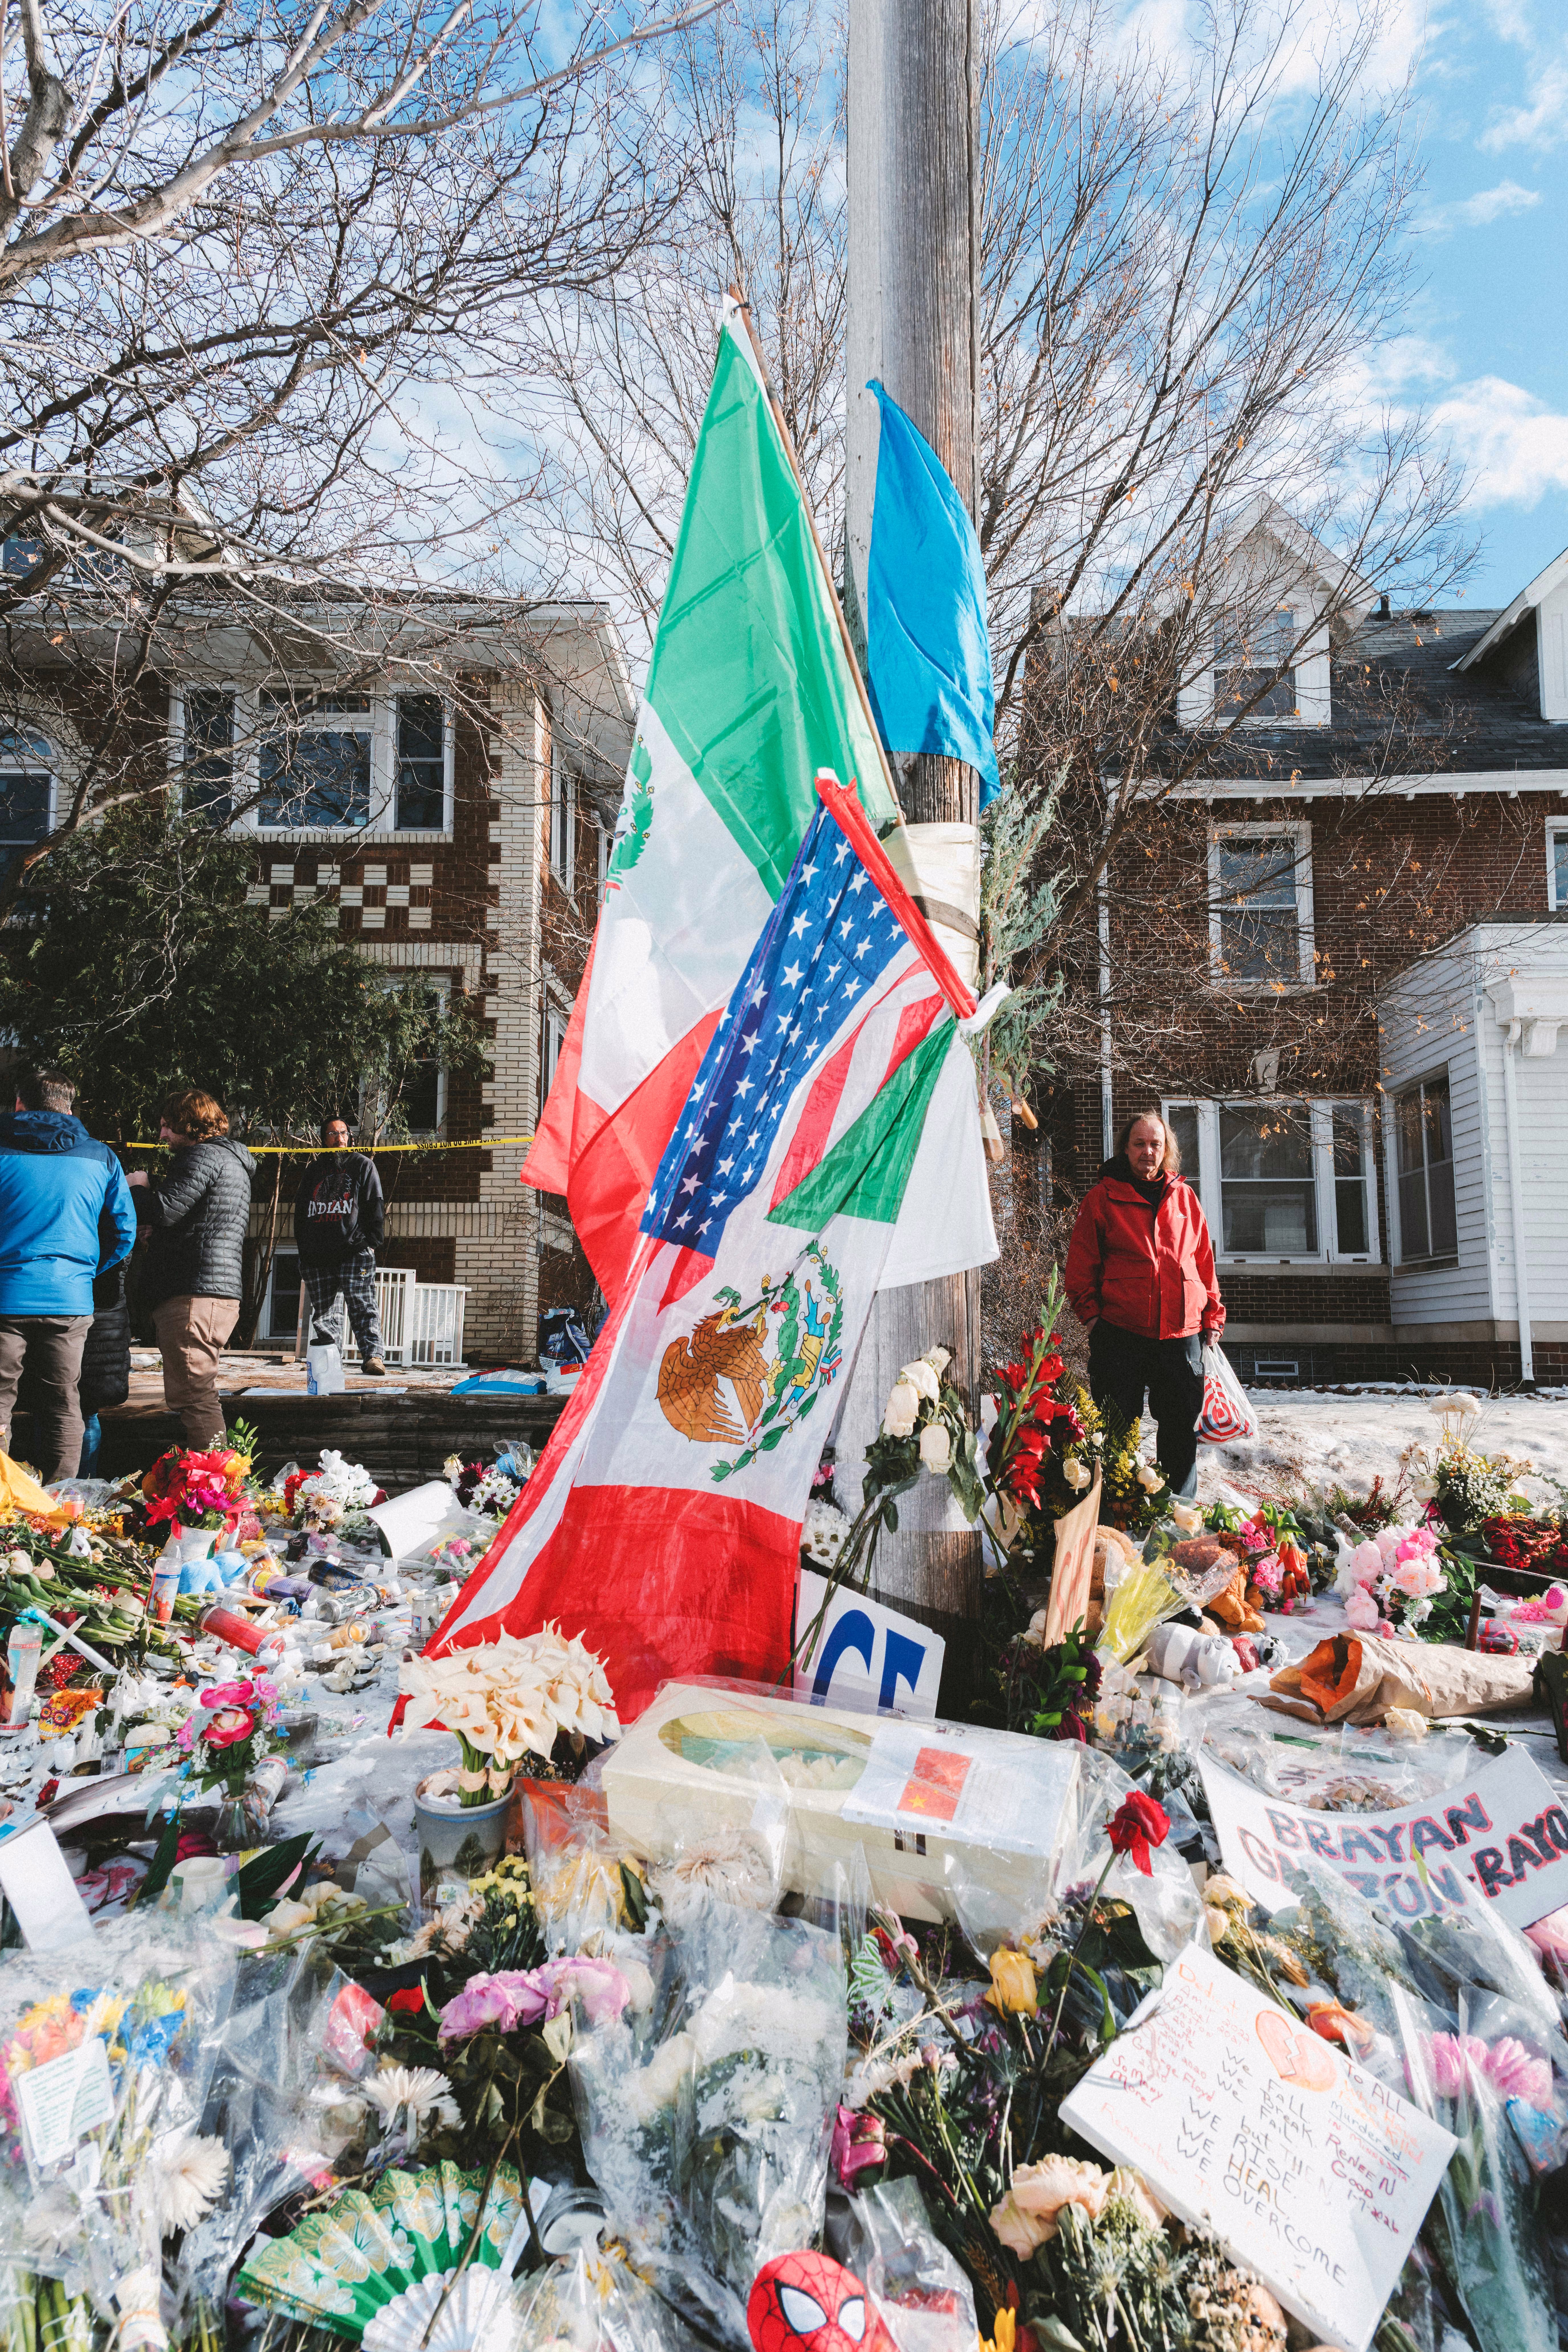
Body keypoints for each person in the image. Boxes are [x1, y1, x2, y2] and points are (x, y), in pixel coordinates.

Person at [1064, 1108, 1224, 1500]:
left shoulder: (1185, 1198)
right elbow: (1081, 1268)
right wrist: (1093, 1320)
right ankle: (1117, 1517)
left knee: (1180, 1433)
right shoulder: (1102, 1199)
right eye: (1140, 1144)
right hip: (1120, 1336)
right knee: (1115, 1433)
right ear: (1126, 1148)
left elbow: (1203, 1262)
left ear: (1166, 1149)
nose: (1148, 1152)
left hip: (1181, 1335)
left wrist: (1213, 1318)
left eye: (1156, 1144)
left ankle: (1178, 1518)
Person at [0, 1067, 136, 1481]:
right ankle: (59, 1516)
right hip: (70, 1301)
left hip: (5, 1299)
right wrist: (85, 1274)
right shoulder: (101, 1156)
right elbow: (125, 1231)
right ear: (70, 1106)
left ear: (20, 1104)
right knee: (63, 1405)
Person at [128, 1089, 256, 1446]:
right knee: (198, 1393)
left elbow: (165, 1210)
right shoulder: (229, 1160)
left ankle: (220, 1491)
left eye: (168, 1126)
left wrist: (139, 1188)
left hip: (193, 1293)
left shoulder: (201, 1156)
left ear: (190, 1123)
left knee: (194, 1397)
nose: (162, 1135)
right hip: (214, 1292)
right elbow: (198, 1218)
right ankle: (214, 1486)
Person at [293, 1118, 387, 1374]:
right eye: (333, 1133)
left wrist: (370, 1242)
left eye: (343, 1133)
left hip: (353, 1252)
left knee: (363, 1305)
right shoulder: (314, 1171)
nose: (339, 1138)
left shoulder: (362, 1166)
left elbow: (375, 1204)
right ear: (324, 1138)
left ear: (350, 1136)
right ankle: (329, 1362)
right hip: (318, 1255)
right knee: (324, 1314)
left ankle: (372, 1358)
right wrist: (305, 1249)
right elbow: (301, 1211)